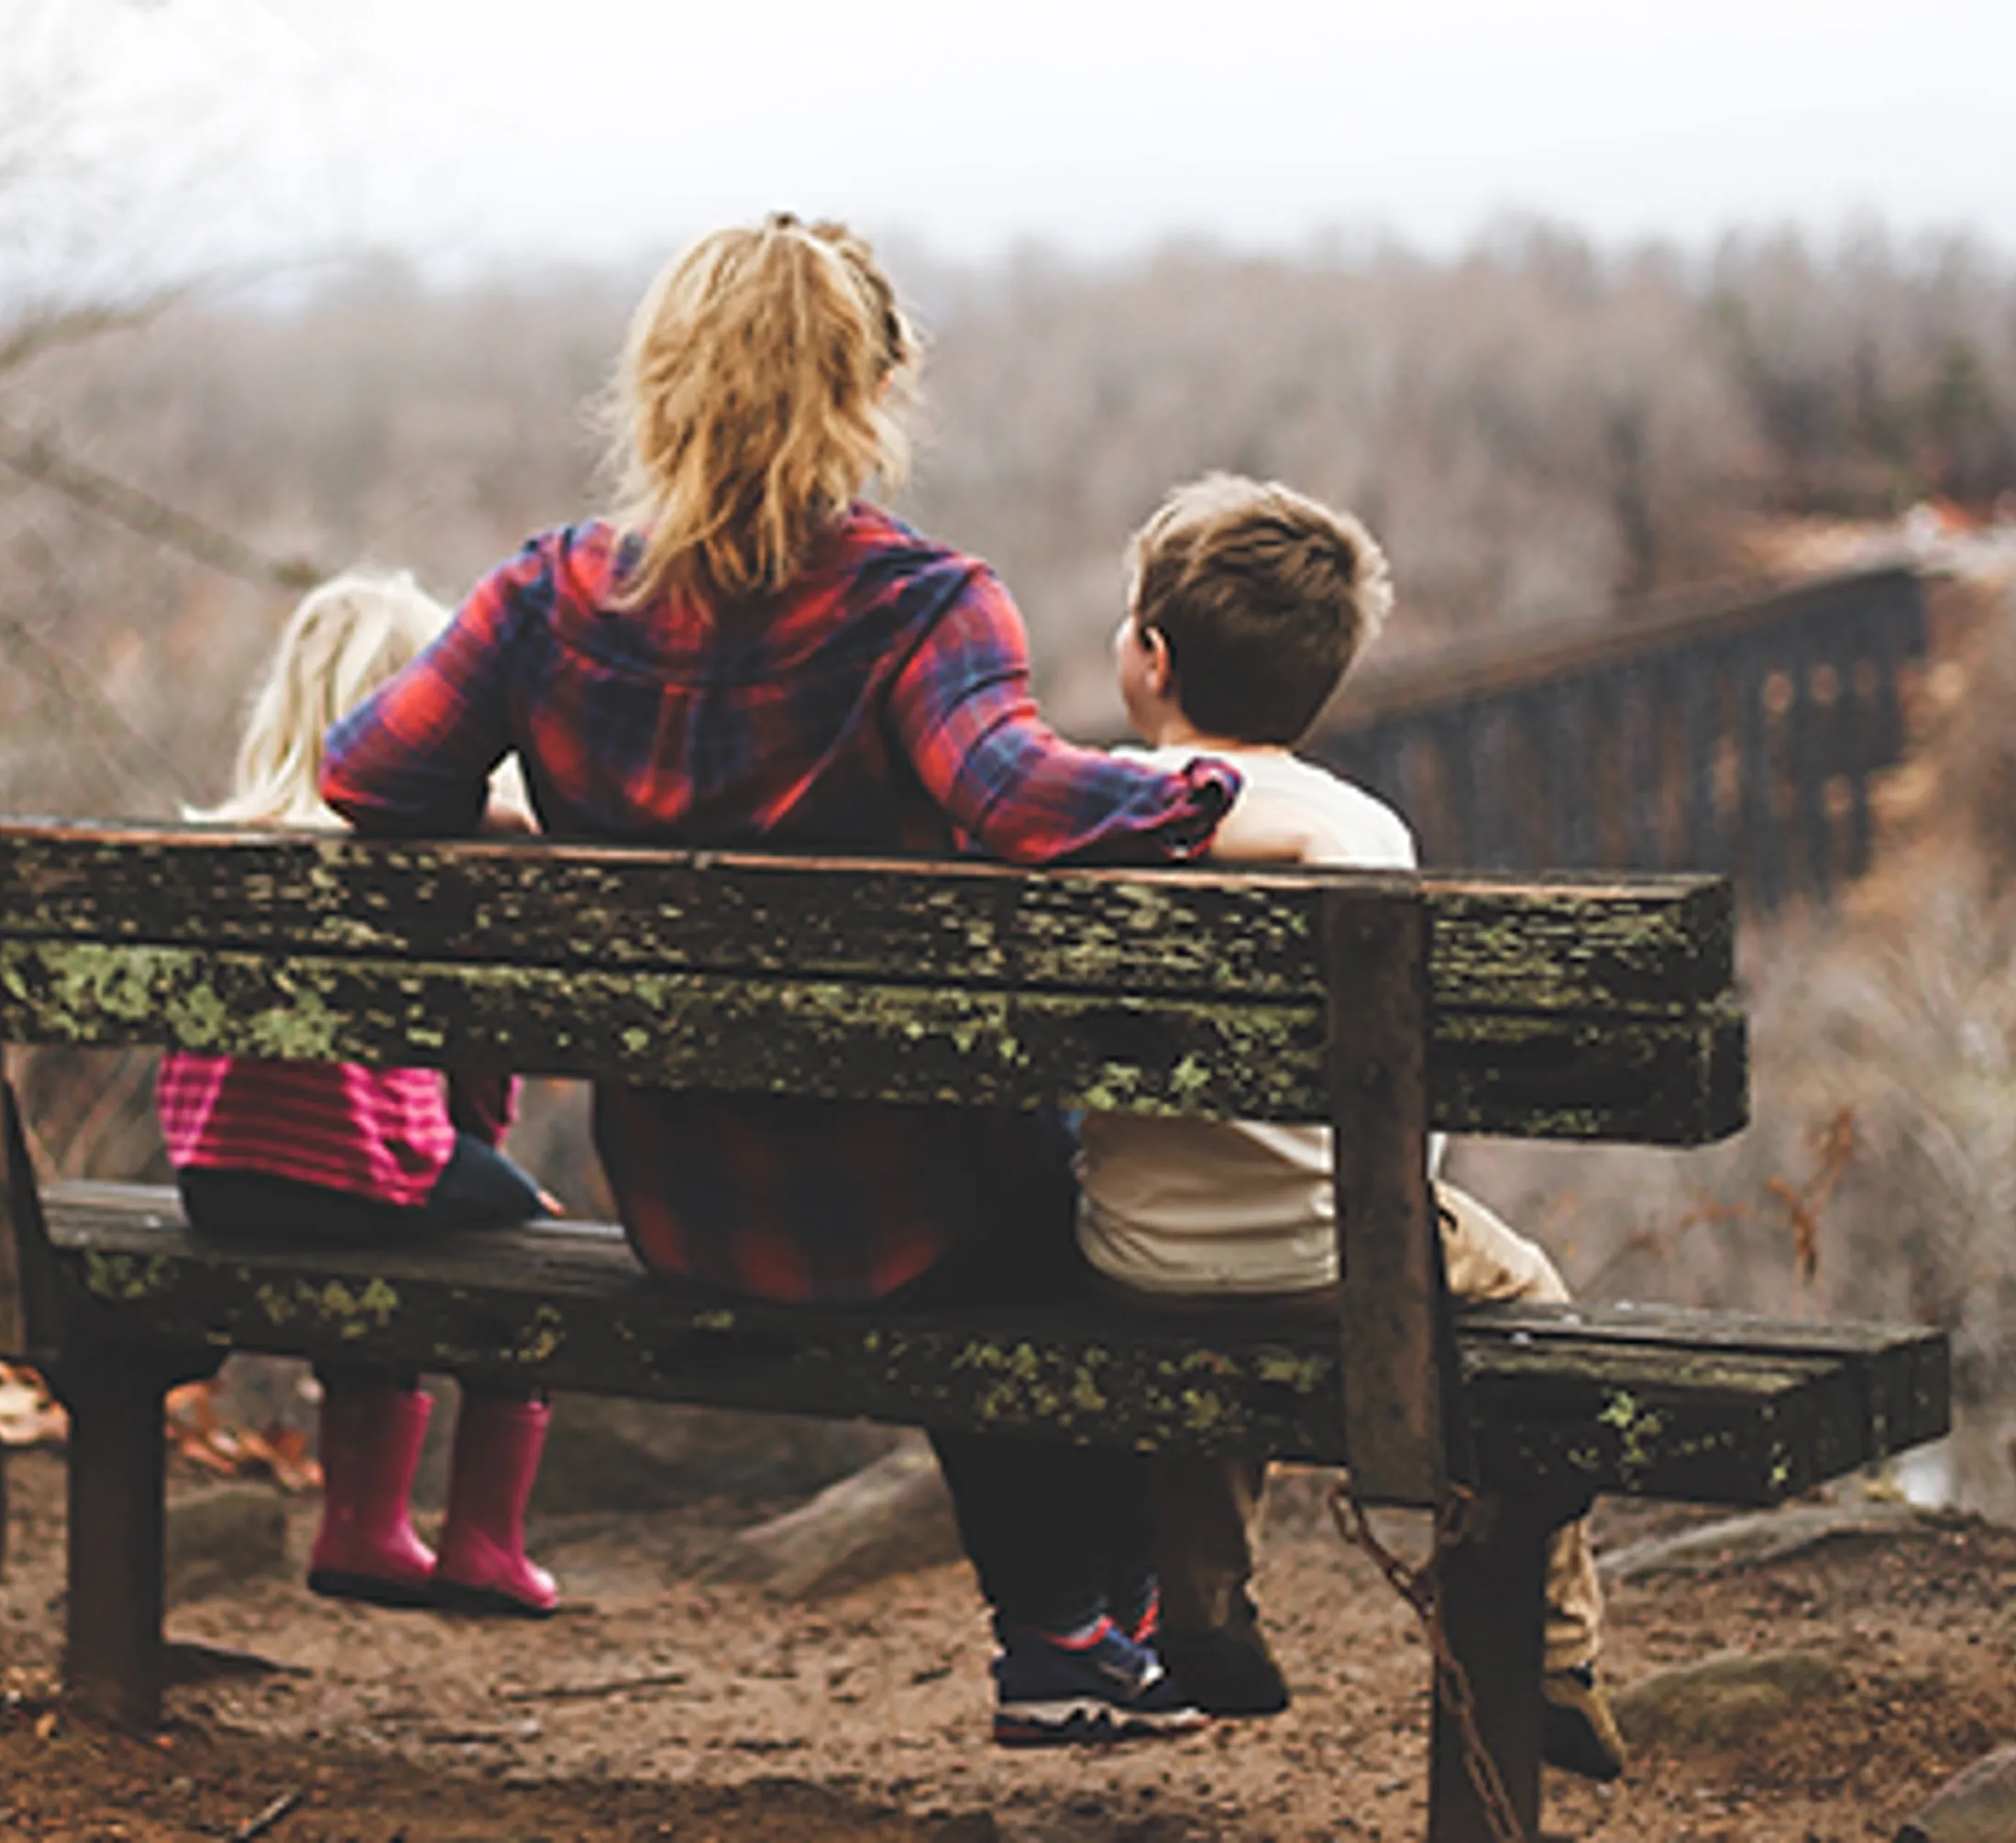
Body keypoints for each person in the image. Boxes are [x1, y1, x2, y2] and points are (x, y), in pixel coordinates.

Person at [321, 215, 1243, 1744]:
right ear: (873, 390)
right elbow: (1017, 799)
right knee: (1057, 1189)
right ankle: (1081, 1625)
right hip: (913, 1214)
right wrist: (1203, 791)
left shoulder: (546, 597)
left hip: (685, 1202)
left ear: (661, 386)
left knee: (1009, 1181)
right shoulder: (921, 605)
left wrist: (510, 816)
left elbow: (367, 776)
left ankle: (1088, 1630)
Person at [1077, 471, 1627, 1781]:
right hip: (1345, 1255)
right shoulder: (1363, 832)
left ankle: (1202, 1601)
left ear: (1149, 659)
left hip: (1131, 1254)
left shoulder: (1085, 811)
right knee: (1532, 1299)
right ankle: (1556, 1651)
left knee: (1203, 1272)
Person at [157, 568, 567, 1617]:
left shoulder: (223, 846)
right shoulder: (421, 856)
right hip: (361, 1175)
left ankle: (365, 1526)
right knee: (528, 1238)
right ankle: (483, 1542)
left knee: (386, 1211)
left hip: (216, 1181)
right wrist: (488, 1157)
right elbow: (475, 1065)